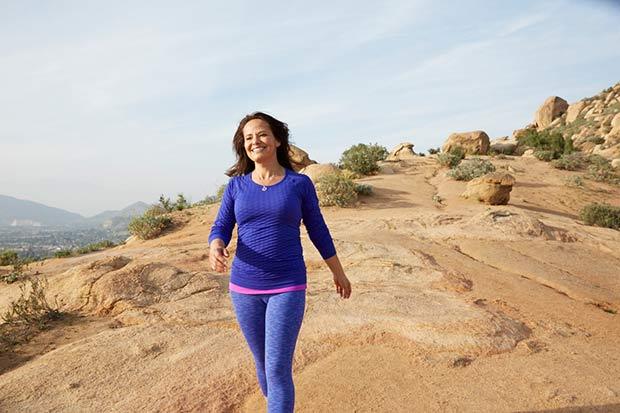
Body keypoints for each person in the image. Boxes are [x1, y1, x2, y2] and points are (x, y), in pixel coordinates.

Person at [208, 111, 351, 412]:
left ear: (277, 139)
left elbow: (318, 231)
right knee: (263, 367)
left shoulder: (298, 184)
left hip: (287, 286)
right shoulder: (236, 187)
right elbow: (221, 226)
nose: (255, 141)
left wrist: (338, 273)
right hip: (243, 289)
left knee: (277, 369)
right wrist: (216, 245)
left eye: (261, 134)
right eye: (248, 138)